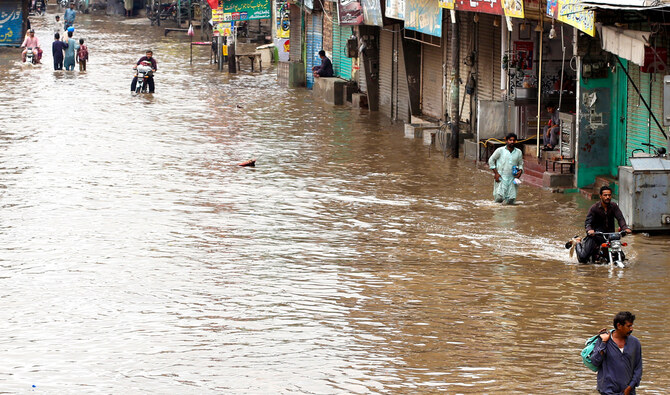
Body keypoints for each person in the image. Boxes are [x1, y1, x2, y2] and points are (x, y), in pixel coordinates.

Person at [574, 185, 632, 263]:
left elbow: (620, 218)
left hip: (609, 236)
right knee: (583, 258)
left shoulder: (614, 206)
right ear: (600, 196)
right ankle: (578, 242)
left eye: (609, 195)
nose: (607, 197)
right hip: (595, 236)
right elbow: (588, 223)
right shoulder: (594, 208)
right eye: (605, 195)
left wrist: (625, 228)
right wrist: (590, 230)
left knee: (621, 257)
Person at [590, 311, 642, 395]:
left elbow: (638, 368)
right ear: (619, 326)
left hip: (628, 392)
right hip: (607, 391)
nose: (631, 329)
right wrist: (603, 342)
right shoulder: (603, 340)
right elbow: (595, 362)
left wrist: (630, 387)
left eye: (631, 326)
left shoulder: (635, 343)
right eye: (629, 326)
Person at [488, 133, 524, 205]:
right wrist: (496, 173)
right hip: (501, 176)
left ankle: (510, 215)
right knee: (499, 198)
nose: (512, 142)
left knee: (511, 199)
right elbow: (491, 160)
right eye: (510, 140)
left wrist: (520, 171)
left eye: (514, 140)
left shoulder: (518, 152)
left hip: (512, 178)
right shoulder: (500, 150)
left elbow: (520, 164)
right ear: (506, 141)